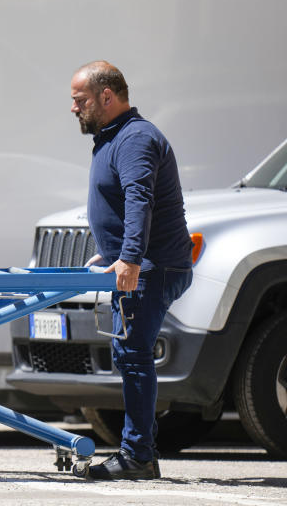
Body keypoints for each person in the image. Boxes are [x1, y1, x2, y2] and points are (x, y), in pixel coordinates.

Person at [69, 61, 193, 480]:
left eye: (80, 99)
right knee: (130, 355)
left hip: (153, 268)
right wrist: (112, 252)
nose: (74, 108)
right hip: (142, 263)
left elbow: (140, 199)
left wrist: (132, 259)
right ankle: (139, 451)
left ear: (107, 96)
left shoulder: (135, 138)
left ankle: (138, 456)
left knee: (134, 357)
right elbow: (124, 203)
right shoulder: (113, 137)